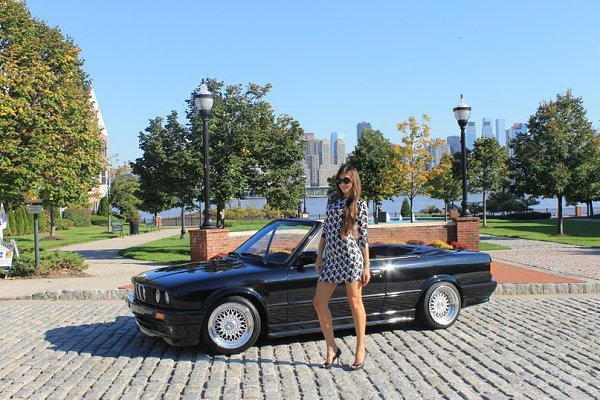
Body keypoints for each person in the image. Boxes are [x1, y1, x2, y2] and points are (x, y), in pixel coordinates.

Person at [313, 164, 370, 370]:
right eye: (340, 180)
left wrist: (366, 266)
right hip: (332, 260)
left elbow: (363, 237)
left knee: (355, 304)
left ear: (354, 181)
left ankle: (360, 349)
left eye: (346, 180)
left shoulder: (359, 204)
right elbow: (325, 232)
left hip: (351, 258)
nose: (342, 184)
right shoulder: (332, 201)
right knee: (319, 302)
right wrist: (319, 256)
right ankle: (332, 348)